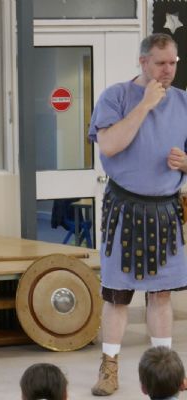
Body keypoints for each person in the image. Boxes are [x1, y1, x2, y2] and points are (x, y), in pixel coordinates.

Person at [88, 32, 187, 396]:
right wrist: (145, 105)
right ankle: (109, 368)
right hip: (125, 207)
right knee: (117, 294)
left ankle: (165, 372)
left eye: (173, 62)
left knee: (161, 295)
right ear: (142, 61)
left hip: (165, 208)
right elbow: (110, 145)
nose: (168, 70)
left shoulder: (184, 102)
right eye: (160, 62)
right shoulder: (116, 96)